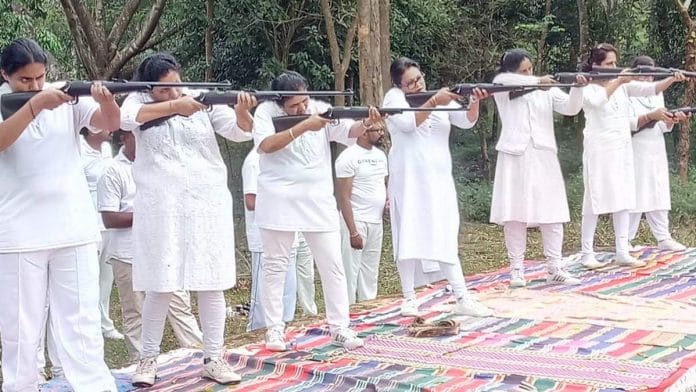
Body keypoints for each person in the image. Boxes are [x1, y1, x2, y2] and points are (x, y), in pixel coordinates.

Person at [120, 53, 255, 387]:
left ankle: (214, 356)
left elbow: (240, 133)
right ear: (149, 87)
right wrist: (173, 107)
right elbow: (126, 120)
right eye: (164, 90)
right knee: (160, 284)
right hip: (161, 204)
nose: (174, 93)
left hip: (206, 201)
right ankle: (146, 361)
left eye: (176, 86)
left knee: (211, 281)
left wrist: (242, 110)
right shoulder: (136, 99)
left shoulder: (200, 96)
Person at [0, 38, 119, 392]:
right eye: (25, 80)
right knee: (21, 330)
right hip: (18, 234)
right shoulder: (20, 102)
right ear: (5, 74)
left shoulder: (64, 97)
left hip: (74, 229)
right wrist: (35, 106)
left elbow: (108, 124)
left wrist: (107, 100)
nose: (36, 85)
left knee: (81, 324)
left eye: (40, 77)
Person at [253, 70, 380, 351]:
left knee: (332, 265)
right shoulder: (265, 111)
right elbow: (265, 145)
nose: (301, 108)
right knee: (275, 265)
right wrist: (303, 125)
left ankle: (340, 327)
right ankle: (274, 329)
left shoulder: (320, 109)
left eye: (304, 102)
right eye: (294, 106)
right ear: (280, 104)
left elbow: (348, 132)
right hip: (279, 199)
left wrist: (366, 123)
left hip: (317, 200)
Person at [383, 57, 492, 318]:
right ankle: (409, 298)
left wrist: (474, 101)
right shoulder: (393, 99)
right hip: (408, 180)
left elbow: (466, 121)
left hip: (439, 180)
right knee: (407, 235)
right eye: (410, 83)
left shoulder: (437, 97)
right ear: (399, 85)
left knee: (445, 235)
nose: (417, 85)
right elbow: (408, 125)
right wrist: (434, 102)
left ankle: (462, 296)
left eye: (419, 78)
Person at [97, 130, 204, 364]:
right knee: (135, 313)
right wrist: (148, 213)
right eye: (137, 135)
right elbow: (109, 219)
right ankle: (141, 363)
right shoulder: (113, 170)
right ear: (124, 137)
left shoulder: (162, 164)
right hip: (128, 254)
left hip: (165, 250)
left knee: (179, 305)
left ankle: (201, 355)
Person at [579, 44, 684, 269]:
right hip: (599, 149)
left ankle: (622, 250)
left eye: (615, 63)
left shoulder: (623, 87)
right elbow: (596, 102)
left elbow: (651, 89)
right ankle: (587, 252)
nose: (614, 67)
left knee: (624, 199)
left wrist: (672, 79)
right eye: (609, 64)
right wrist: (620, 80)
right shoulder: (587, 87)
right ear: (595, 65)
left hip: (623, 148)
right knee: (593, 200)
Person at [490, 49, 587, 287]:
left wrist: (578, 86)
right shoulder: (503, 84)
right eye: (524, 71)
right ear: (512, 71)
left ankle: (555, 267)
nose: (529, 73)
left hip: (543, 152)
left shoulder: (547, 89)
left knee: (552, 211)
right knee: (514, 213)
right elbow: (502, 82)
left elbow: (571, 108)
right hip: (515, 152)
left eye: (531, 69)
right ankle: (516, 269)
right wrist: (536, 81)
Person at [627, 56, 687, 252]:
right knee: (635, 193)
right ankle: (625, 239)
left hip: (655, 147)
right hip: (635, 147)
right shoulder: (626, 92)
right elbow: (629, 124)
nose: (646, 78)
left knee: (658, 190)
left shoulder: (656, 94)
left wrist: (672, 119)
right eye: (642, 74)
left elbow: (663, 126)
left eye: (650, 74)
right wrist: (651, 117)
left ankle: (663, 237)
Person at [242, 147, 298, 331]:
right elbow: (251, 201)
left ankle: (282, 331)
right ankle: (256, 336)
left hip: (288, 233)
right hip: (264, 239)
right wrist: (283, 203)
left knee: (288, 293)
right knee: (262, 300)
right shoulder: (254, 161)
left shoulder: (285, 158)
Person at [336, 122, 389, 303]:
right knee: (350, 272)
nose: (381, 134)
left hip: (376, 222)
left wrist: (386, 200)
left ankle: (369, 308)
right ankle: (347, 311)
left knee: (370, 271)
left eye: (382, 130)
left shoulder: (381, 155)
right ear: (364, 133)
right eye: (377, 130)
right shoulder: (348, 157)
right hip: (356, 220)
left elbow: (381, 184)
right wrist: (353, 231)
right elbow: (343, 197)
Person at [80, 127, 124, 340]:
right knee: (88, 278)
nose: (109, 129)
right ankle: (86, 326)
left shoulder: (107, 148)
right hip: (88, 224)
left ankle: (104, 324)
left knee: (106, 279)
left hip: (109, 223)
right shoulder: (78, 147)